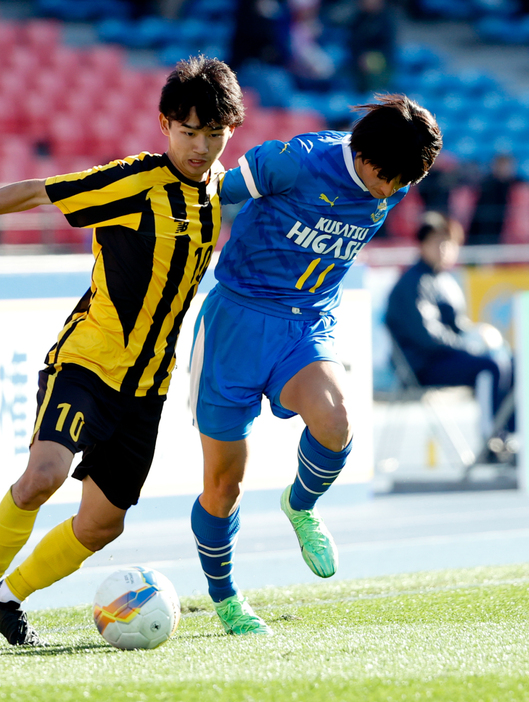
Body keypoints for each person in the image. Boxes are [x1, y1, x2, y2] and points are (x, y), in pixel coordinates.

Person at [0, 56, 245, 646]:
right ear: (164, 125)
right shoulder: (135, 181)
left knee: (103, 523)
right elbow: (36, 191)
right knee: (43, 475)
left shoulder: (218, 191)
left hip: (149, 385)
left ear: (231, 132)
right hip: (87, 360)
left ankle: (8, 600)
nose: (201, 147)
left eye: (214, 134)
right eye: (189, 132)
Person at [189, 93, 442, 634]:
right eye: (392, 179)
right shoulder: (295, 161)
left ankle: (300, 506)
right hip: (236, 321)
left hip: (305, 325)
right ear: (368, 158)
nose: (396, 192)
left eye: (407, 183)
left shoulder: (388, 185)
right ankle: (227, 599)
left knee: (336, 423)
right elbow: (211, 191)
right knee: (223, 485)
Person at [384, 212, 514, 454]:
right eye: (438, 242)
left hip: (445, 358)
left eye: (450, 244)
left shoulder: (445, 280)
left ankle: (510, 435)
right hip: (422, 366)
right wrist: (471, 346)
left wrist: (480, 335)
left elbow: (458, 327)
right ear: (422, 245)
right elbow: (427, 337)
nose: (444, 249)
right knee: (491, 366)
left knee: (510, 361)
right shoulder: (412, 283)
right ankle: (492, 441)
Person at [466, 152, 518, 246]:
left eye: (507, 165)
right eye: (502, 165)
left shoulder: (517, 186)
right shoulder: (486, 186)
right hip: (486, 231)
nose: (505, 169)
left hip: (506, 229)